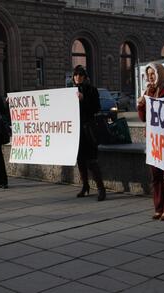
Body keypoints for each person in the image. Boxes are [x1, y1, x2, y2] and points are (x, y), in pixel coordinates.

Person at [137, 63, 164, 221]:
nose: (150, 77)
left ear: (160, 74)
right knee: (155, 175)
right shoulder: (148, 92)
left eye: (153, 74)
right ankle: (159, 206)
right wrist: (141, 104)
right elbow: (143, 118)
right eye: (148, 75)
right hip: (154, 140)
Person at [73, 65, 106, 201]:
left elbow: (96, 108)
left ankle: (101, 189)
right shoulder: (70, 91)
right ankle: (85, 186)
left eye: (80, 75)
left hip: (88, 131)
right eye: (75, 75)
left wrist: (83, 99)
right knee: (80, 160)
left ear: (85, 77)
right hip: (76, 132)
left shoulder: (92, 90)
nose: (77, 77)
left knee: (92, 161)